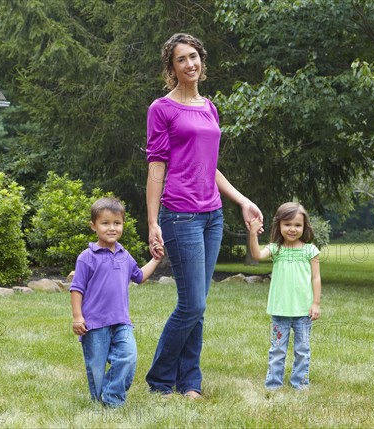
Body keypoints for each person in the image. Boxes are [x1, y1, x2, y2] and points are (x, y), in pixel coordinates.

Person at [145, 33, 263, 399]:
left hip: (212, 215)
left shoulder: (209, 107)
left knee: (198, 302)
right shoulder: (161, 109)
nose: (189, 64)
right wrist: (152, 222)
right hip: (180, 215)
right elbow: (156, 167)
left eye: (193, 56)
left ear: (202, 60)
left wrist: (242, 201)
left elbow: (209, 166)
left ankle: (190, 382)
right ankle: (161, 379)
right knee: (191, 303)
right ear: (172, 67)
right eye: (181, 59)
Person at [70, 197, 164, 407]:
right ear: (93, 226)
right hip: (94, 324)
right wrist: (78, 317)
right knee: (96, 368)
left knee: (128, 358)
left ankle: (112, 399)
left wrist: (156, 259)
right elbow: (77, 288)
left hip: (121, 321)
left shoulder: (124, 255)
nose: (111, 228)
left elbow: (139, 276)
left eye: (117, 223)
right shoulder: (87, 257)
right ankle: (99, 402)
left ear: (122, 224)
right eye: (105, 223)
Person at [248, 202, 322, 390]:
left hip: (303, 312)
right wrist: (253, 234)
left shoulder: (310, 250)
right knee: (277, 350)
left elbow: (316, 278)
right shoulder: (276, 249)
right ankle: (273, 384)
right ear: (279, 225)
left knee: (302, 350)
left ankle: (300, 383)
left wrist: (316, 303)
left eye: (297, 225)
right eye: (287, 224)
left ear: (304, 227)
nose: (292, 229)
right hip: (280, 310)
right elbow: (256, 255)